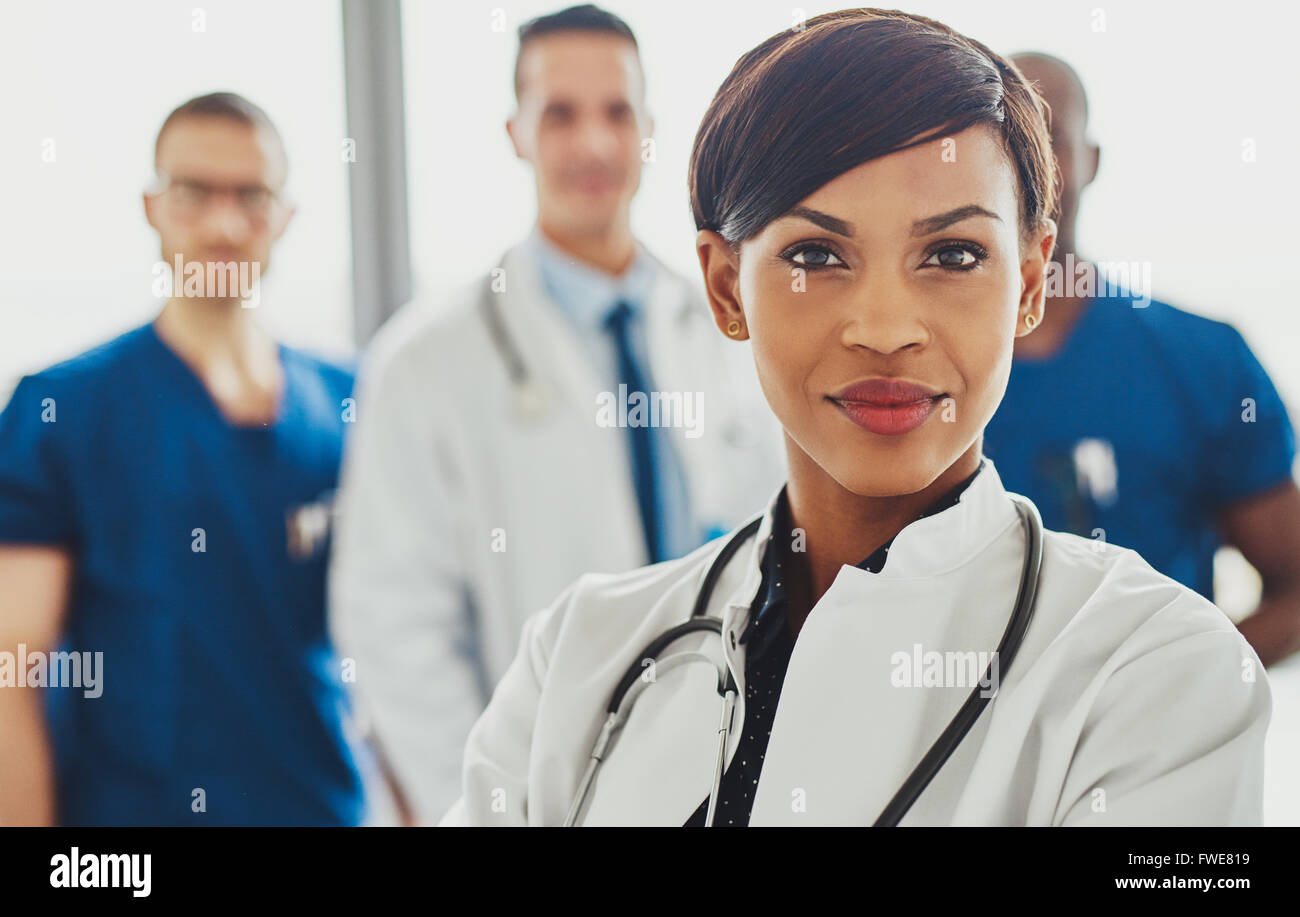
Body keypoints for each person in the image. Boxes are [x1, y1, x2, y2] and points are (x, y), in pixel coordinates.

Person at [440, 9, 1270, 827]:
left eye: (951, 255)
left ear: (1026, 283)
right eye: (816, 256)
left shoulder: (1161, 673)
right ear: (728, 288)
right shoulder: (578, 658)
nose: (884, 327)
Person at [328, 4, 782, 825]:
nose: (593, 144)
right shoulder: (427, 363)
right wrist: (497, 801)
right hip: (542, 791)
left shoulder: (727, 328)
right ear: (516, 131)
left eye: (616, 112)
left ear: (648, 128)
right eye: (560, 114)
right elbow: (395, 632)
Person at [0, 92, 365, 826]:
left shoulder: (353, 405)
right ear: (153, 206)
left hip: (320, 808)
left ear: (284, 216)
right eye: (195, 192)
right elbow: (13, 675)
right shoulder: (60, 411)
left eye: (251, 196)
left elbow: (402, 642)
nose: (225, 223)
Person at [984, 53, 1300, 666]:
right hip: (959, 755)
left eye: (1046, 141)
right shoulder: (913, 369)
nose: (1023, 168)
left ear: (1091, 160)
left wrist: (1176, 692)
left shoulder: (1204, 360)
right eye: (1000, 141)